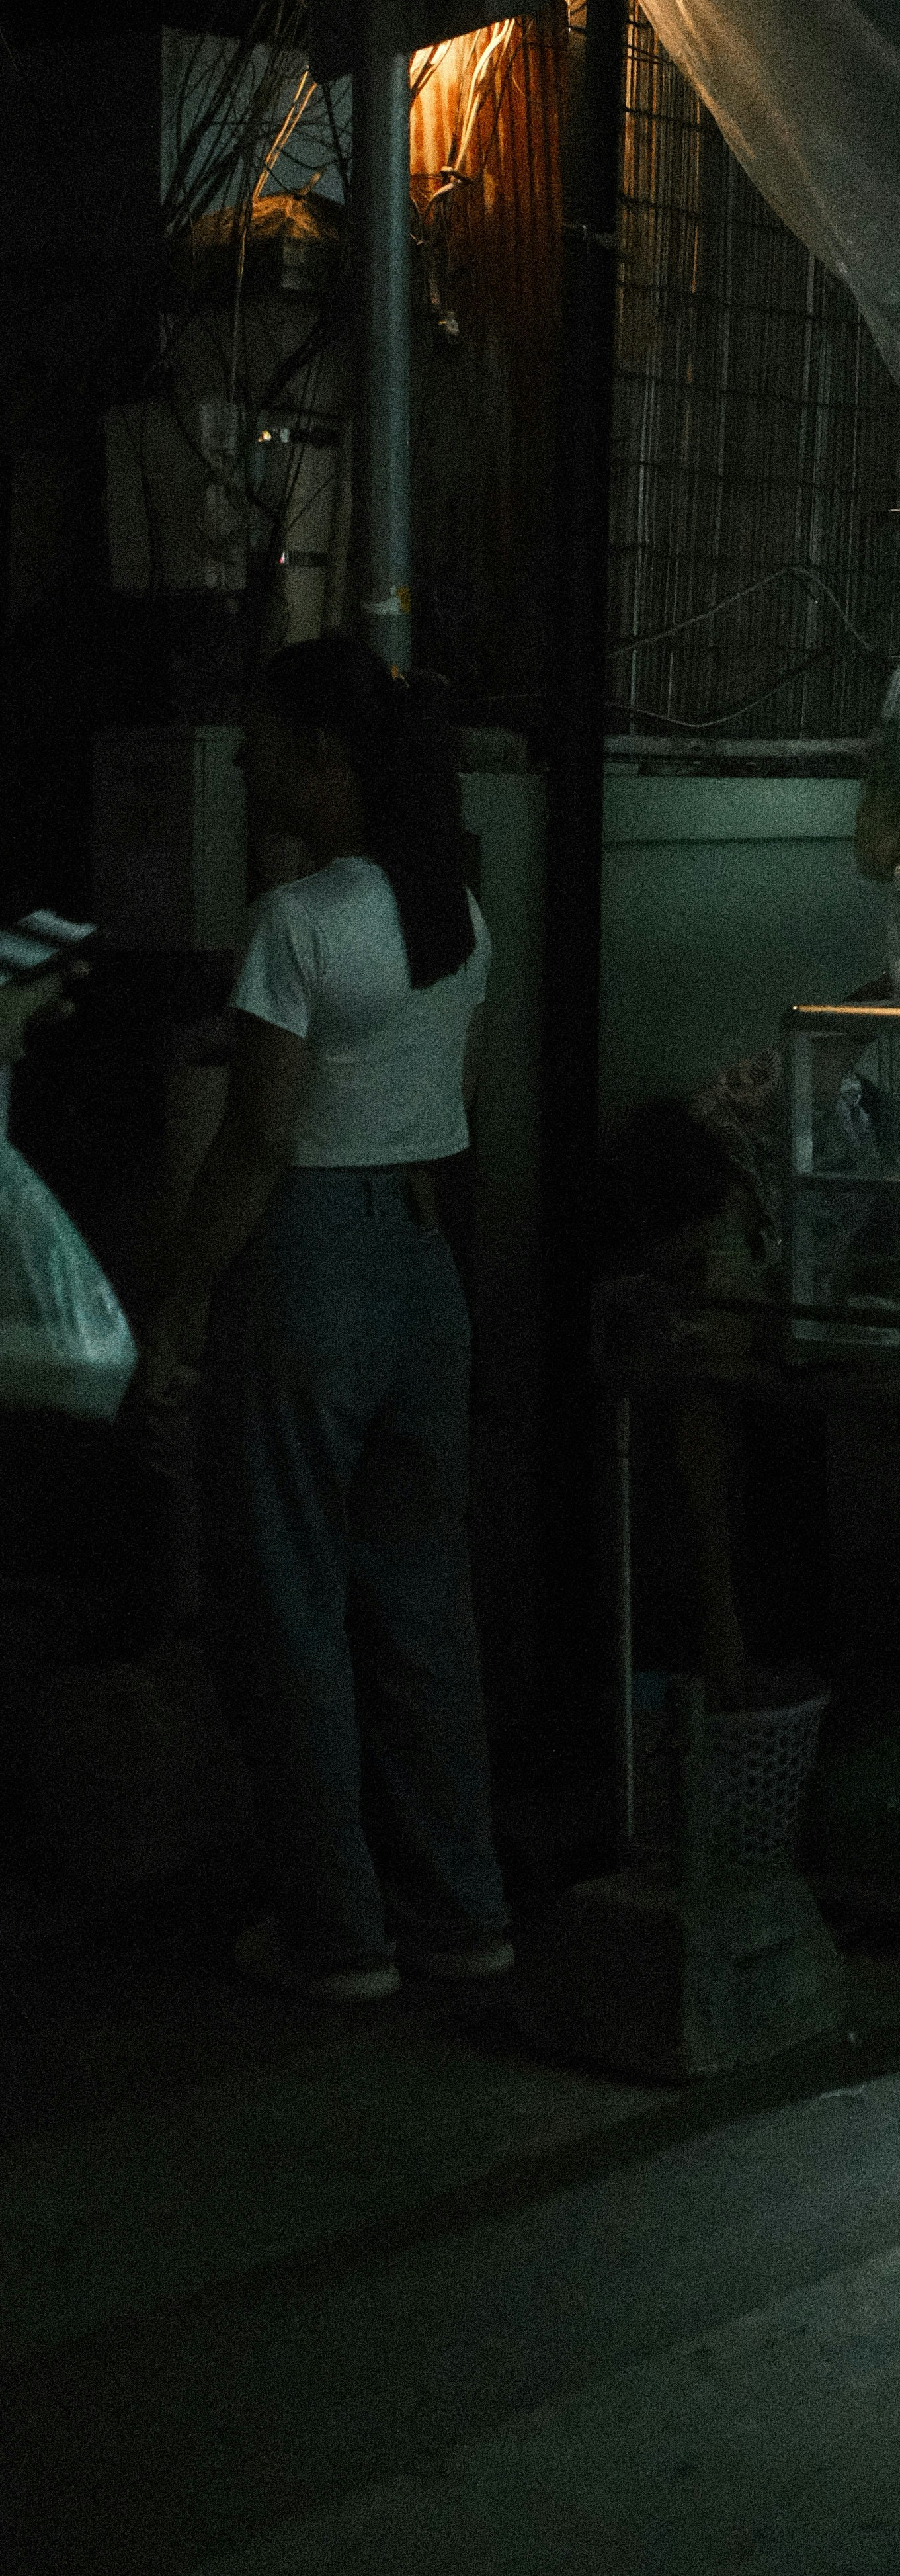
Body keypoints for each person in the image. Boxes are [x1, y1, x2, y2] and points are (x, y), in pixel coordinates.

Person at [130, 639, 510, 2003]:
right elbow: (452, 1098)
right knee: (419, 1600)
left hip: (311, 1269)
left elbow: (261, 1138)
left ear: (326, 765)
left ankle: (336, 1932)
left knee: (287, 1599)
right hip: (424, 1266)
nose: (243, 763)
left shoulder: (297, 925)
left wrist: (175, 1305)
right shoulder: (461, 915)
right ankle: (462, 1910)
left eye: (266, 742)